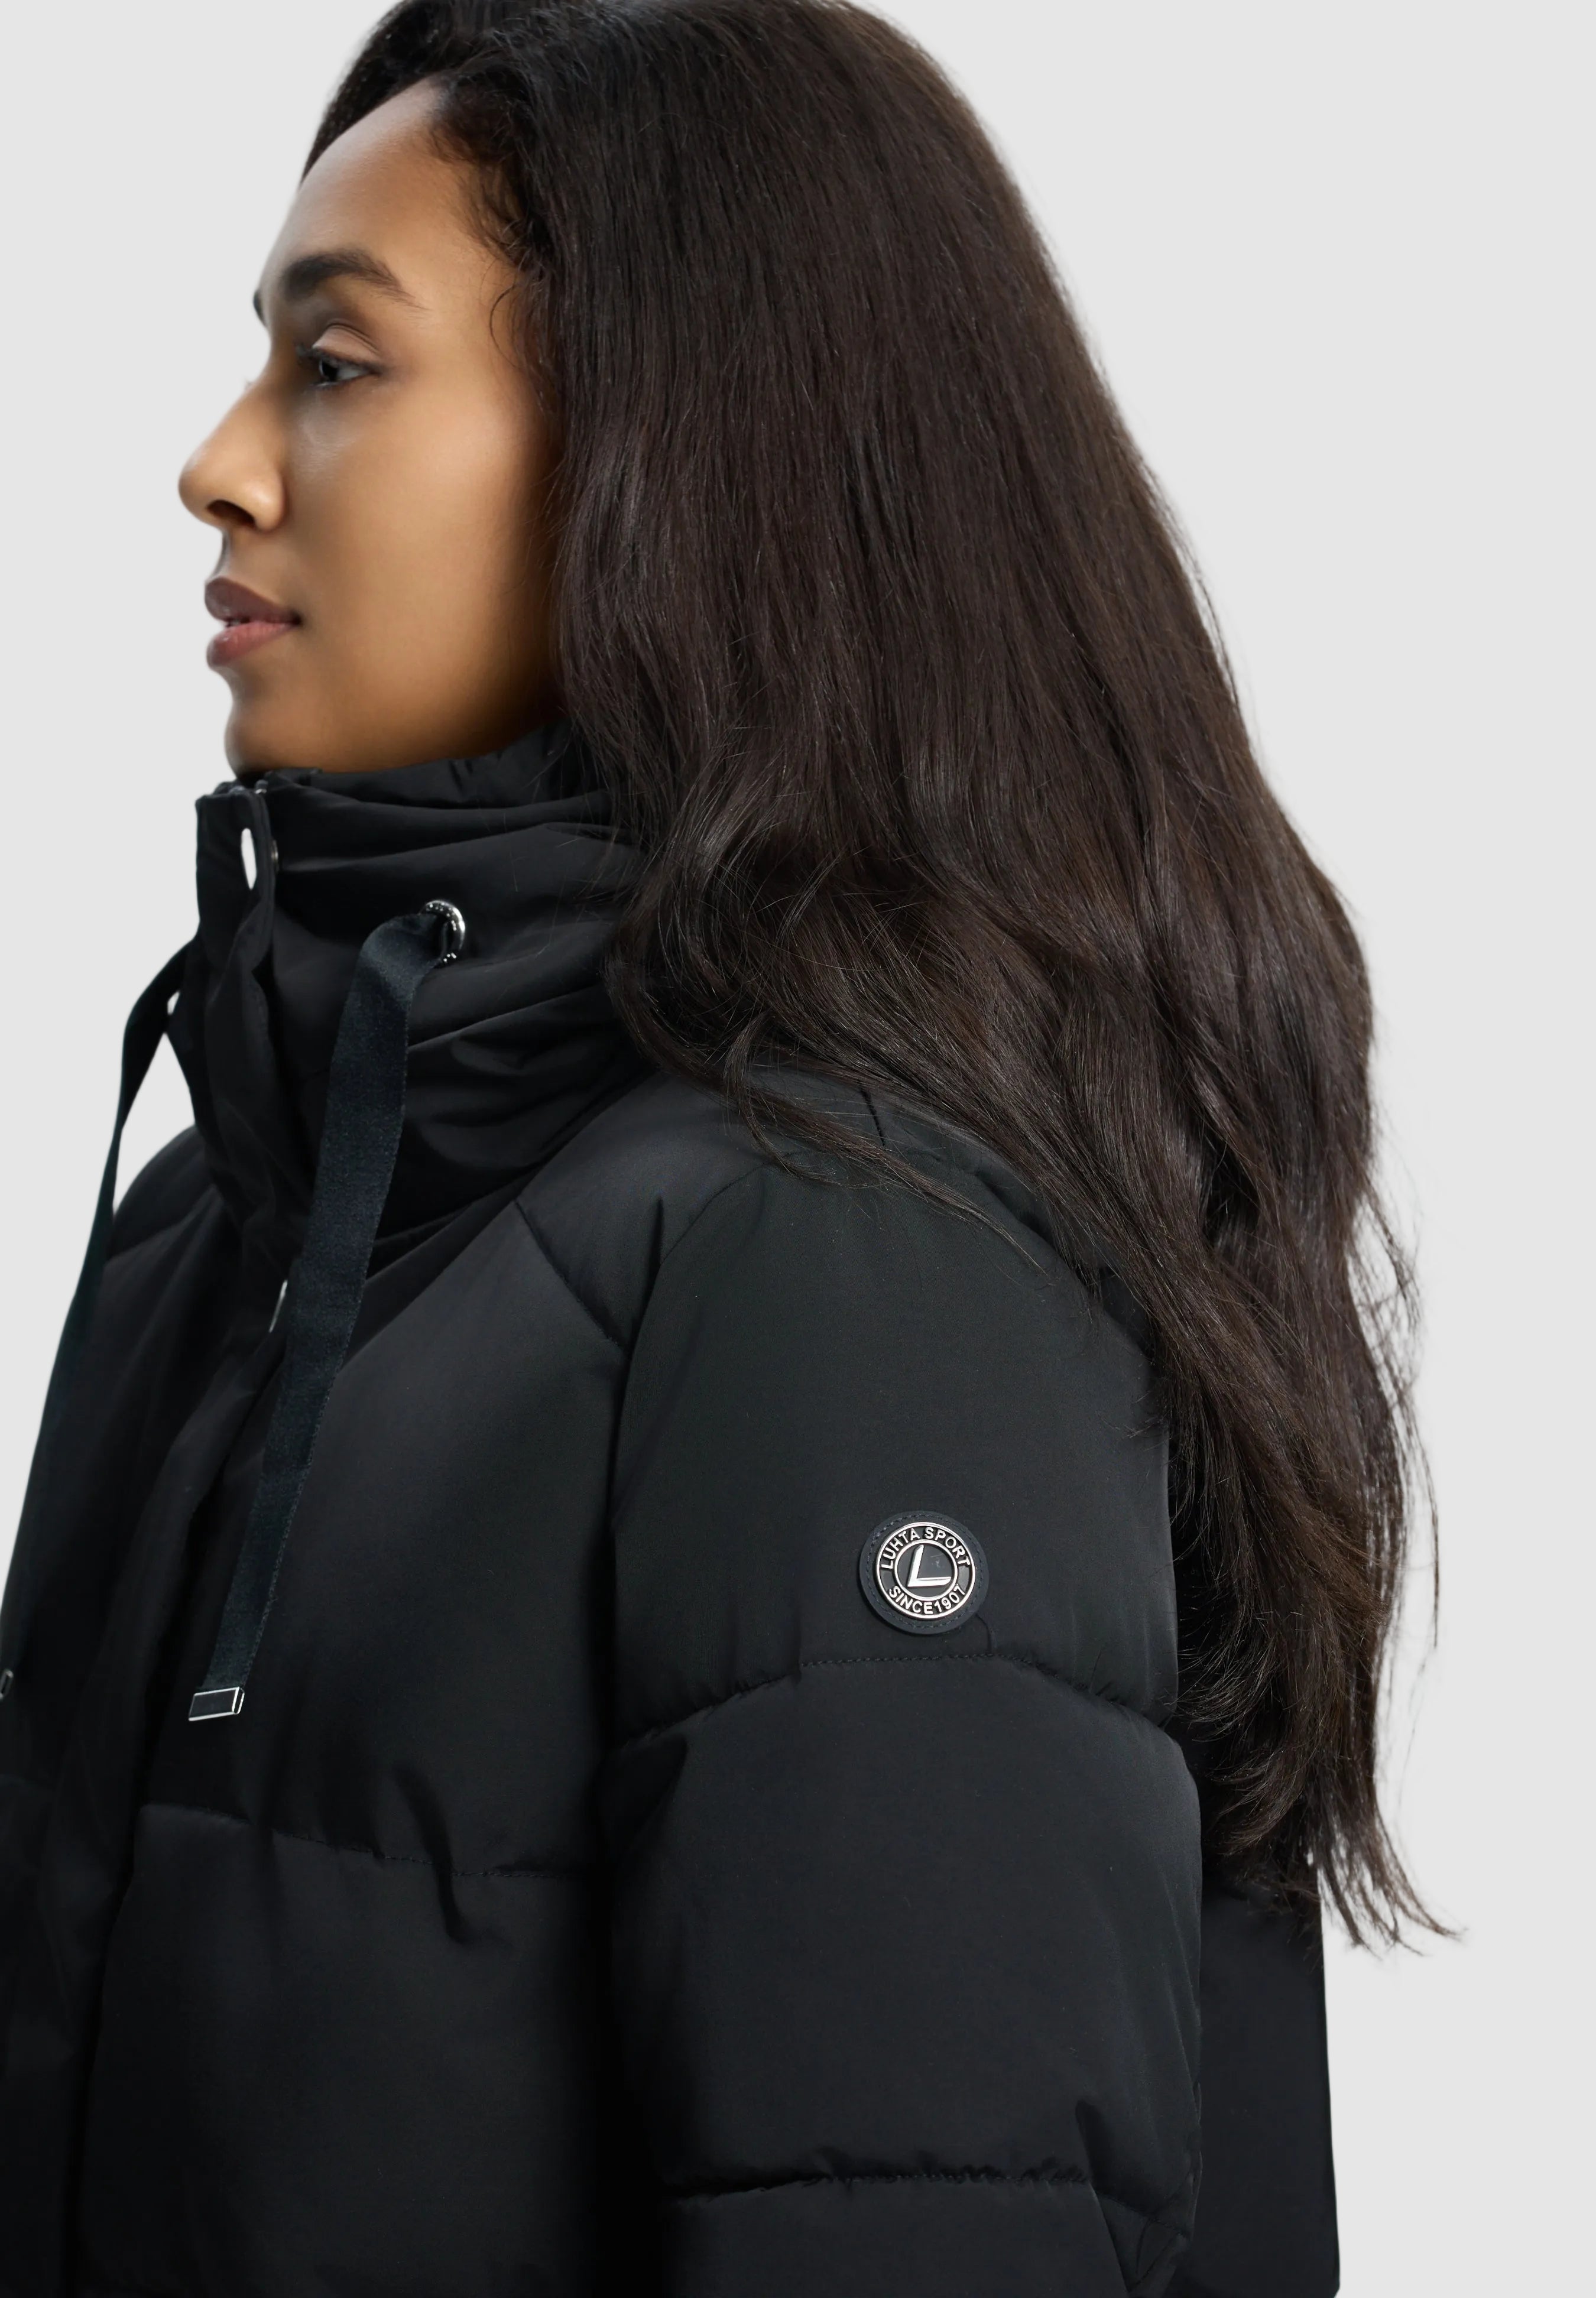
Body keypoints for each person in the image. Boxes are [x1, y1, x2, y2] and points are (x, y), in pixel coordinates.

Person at [0, 3, 1433, 2292]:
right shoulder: (237, 1214)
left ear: (675, 456)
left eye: (338, 363)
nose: (219, 465)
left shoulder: (855, 1261)